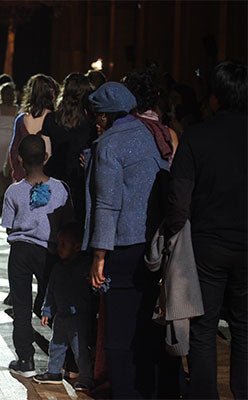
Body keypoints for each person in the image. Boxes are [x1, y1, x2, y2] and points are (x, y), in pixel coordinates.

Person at [85, 82, 182, 398]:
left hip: (123, 246)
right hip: (155, 244)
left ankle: (125, 392)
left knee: (118, 331)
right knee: (147, 324)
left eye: (97, 116)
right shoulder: (153, 134)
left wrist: (99, 254)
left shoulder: (110, 143)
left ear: (103, 117)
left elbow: (107, 203)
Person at [164, 61, 247, 400]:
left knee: (203, 327)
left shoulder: (198, 136)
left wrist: (172, 239)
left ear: (214, 99)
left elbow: (179, 198)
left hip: (207, 245)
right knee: (244, 328)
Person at [1, 134, 72, 378]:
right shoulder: (61, 188)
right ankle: (68, 357)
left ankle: (25, 360)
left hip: (20, 251)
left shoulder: (13, 191)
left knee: (21, 305)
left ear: (19, 159)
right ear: (46, 157)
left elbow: (9, 226)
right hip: (49, 252)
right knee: (53, 302)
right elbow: (67, 224)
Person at [33, 223, 93, 391]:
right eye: (58, 244)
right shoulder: (57, 268)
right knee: (56, 345)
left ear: (77, 247)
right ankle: (54, 372)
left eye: (63, 244)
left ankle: (87, 378)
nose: (59, 248)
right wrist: (47, 311)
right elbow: (50, 291)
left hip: (78, 317)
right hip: (61, 315)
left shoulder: (84, 268)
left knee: (80, 350)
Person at [41, 73, 94, 221]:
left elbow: (46, 155)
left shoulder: (51, 119)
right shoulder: (91, 124)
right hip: (81, 180)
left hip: (56, 177)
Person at [9, 74, 59, 182]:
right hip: (49, 178)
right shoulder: (56, 120)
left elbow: (14, 151)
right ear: (52, 94)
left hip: (25, 176)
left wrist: (17, 175)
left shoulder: (21, 120)